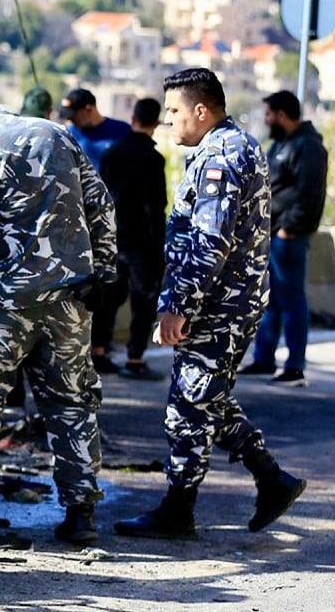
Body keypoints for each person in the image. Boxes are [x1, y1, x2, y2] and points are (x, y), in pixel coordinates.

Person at [0, 75, 115, 548]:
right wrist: (101, 273)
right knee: (72, 405)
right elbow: (102, 208)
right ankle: (81, 515)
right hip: (67, 301)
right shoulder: (57, 135)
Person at [115, 67, 306, 540]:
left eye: (175, 112)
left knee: (189, 407)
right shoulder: (237, 144)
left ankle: (178, 510)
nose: (169, 122)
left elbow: (209, 241)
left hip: (218, 306)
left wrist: (177, 305)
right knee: (208, 398)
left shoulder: (220, 156)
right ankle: (271, 478)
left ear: (201, 111)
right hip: (229, 303)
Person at [239, 90, 329, 386]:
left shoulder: (307, 146)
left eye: (268, 114)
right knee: (270, 299)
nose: (265, 120)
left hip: (287, 235)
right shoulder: (282, 144)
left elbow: (310, 193)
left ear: (281, 114)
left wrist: (289, 227)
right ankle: (264, 359)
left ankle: (295, 366)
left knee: (291, 299)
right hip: (269, 233)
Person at [59, 87, 133, 374]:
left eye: (74, 114)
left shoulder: (119, 132)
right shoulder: (68, 134)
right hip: (76, 224)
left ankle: (101, 349)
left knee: (109, 288)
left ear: (89, 109)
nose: (72, 120)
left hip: (112, 225)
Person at [96, 98, 168, 380]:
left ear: (133, 117)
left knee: (107, 300)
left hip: (113, 238)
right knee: (143, 302)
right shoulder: (153, 159)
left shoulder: (112, 153)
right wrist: (160, 245)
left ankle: (99, 352)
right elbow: (155, 206)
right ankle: (134, 358)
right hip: (142, 243)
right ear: (156, 123)